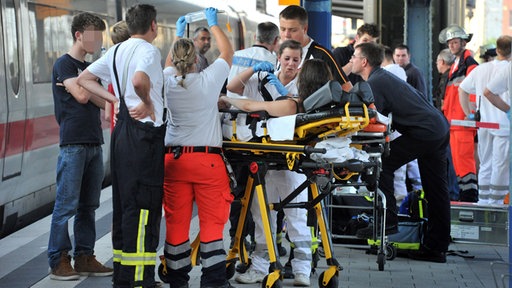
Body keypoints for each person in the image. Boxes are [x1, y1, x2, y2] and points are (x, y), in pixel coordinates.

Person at [77, 4, 166, 287]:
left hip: (122, 136)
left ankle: (124, 276)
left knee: (125, 202)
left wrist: (115, 101)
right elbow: (140, 80)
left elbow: (85, 79)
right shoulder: (149, 51)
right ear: (153, 25)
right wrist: (148, 102)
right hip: (144, 137)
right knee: (144, 205)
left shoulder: (115, 50)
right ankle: (141, 279)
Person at [351, 42, 450, 263]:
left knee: (384, 164)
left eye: (355, 57)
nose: (352, 61)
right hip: (438, 128)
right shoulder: (384, 78)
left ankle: (388, 223)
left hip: (425, 132)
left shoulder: (375, 83)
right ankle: (436, 247)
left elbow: (372, 121)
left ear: (364, 61)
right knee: (436, 190)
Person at [225, 41, 313, 287]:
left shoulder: (303, 87)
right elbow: (232, 88)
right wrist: (254, 70)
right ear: (278, 58)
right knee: (261, 214)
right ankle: (260, 266)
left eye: (296, 60)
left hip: (292, 162)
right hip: (267, 160)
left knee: (296, 214)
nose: (291, 64)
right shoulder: (264, 78)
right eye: (287, 59)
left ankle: (302, 270)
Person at [162, 8, 234, 288]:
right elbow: (227, 53)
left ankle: (178, 281)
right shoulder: (207, 81)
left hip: (174, 163)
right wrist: (214, 25)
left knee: (177, 225)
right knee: (212, 227)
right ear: (196, 60)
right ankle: (213, 282)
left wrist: (179, 35)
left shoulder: (168, 80)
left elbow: (170, 62)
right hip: (206, 163)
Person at [48, 12, 115, 281]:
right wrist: (88, 82)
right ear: (79, 35)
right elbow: (83, 95)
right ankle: (58, 259)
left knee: (89, 205)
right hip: (73, 143)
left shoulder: (87, 68)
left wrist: (87, 82)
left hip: (94, 142)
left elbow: (104, 103)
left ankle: (85, 256)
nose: (99, 41)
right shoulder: (63, 65)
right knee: (66, 205)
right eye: (95, 36)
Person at [460, 35, 512, 205]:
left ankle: (483, 202)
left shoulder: (481, 69)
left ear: (497, 50)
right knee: (500, 165)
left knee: (485, 164)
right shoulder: (508, 69)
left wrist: (469, 114)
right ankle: (496, 204)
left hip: (484, 124)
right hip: (504, 125)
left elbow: (463, 89)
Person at [439, 24, 479, 202]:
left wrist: (469, 115)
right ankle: (465, 196)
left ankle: (469, 197)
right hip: (455, 121)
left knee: (464, 161)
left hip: (462, 121)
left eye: (455, 42)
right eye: (450, 43)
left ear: (463, 42)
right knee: (458, 162)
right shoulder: (458, 64)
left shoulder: (469, 64)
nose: (452, 46)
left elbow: (473, 92)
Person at [279, 4, 352, 92]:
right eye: (283, 29)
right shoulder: (278, 53)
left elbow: (346, 88)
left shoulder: (321, 55)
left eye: (292, 30)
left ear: (305, 29)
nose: (286, 35)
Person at [435, 49, 460, 201]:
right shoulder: (453, 76)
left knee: (450, 161)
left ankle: (453, 194)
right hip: (455, 124)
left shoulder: (446, 78)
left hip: (448, 124)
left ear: (442, 62)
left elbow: (443, 102)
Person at [105, 20, 130, 132]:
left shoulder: (113, 76)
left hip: (117, 136)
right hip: (135, 136)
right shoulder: (137, 70)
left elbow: (107, 116)